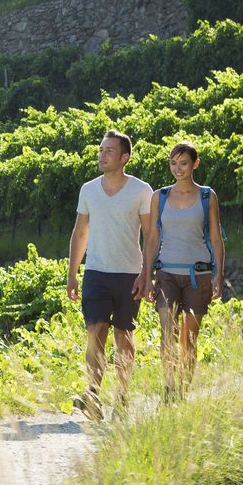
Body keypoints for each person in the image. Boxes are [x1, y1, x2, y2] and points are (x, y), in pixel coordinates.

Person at [67, 130, 153, 420]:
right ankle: (92, 394)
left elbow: (151, 235)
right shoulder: (88, 189)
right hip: (96, 272)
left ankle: (123, 396)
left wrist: (147, 273)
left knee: (124, 335)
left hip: (129, 274)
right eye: (100, 150)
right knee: (95, 332)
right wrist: (72, 273)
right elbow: (80, 232)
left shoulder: (142, 190)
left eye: (108, 151)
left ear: (124, 157)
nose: (101, 155)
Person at [140, 141, 225, 402]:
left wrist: (218, 274)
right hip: (166, 273)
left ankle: (183, 391)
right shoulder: (160, 196)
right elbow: (152, 238)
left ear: (195, 164)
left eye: (183, 163)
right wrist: (146, 276)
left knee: (189, 338)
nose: (178, 168)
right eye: (173, 163)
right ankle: (168, 389)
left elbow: (215, 236)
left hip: (197, 276)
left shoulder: (207, 196)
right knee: (168, 335)